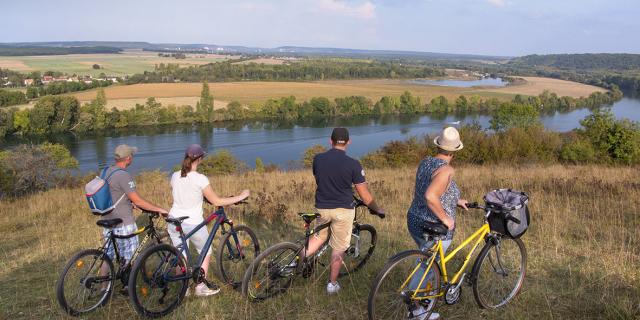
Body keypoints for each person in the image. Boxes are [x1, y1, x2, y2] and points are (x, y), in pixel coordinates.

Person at [305, 127, 385, 294]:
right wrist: (377, 209)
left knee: (319, 237)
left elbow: (320, 178)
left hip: (322, 207)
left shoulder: (318, 159)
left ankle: (294, 261)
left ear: (330, 141)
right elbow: (365, 196)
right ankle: (332, 284)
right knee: (339, 247)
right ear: (348, 142)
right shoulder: (353, 164)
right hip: (343, 210)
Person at [167, 144, 250, 297]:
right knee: (205, 252)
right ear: (200, 159)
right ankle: (200, 288)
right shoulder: (200, 179)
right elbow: (216, 201)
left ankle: (183, 289)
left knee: (181, 254)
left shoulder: (174, 175)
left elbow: (184, 193)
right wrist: (241, 196)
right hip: (192, 221)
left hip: (173, 220)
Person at [406, 127, 469, 320]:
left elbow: (432, 187)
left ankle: (424, 299)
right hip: (433, 227)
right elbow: (431, 195)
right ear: (454, 151)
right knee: (426, 265)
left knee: (427, 261)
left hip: (414, 220)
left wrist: (456, 201)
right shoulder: (447, 169)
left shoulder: (426, 162)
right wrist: (446, 218)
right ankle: (416, 309)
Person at [99, 145, 169, 284]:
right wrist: (159, 209)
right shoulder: (123, 175)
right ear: (129, 158)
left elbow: (113, 194)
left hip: (107, 220)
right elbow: (137, 200)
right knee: (130, 256)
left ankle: (103, 290)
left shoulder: (106, 171)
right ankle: (128, 286)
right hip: (123, 222)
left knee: (108, 256)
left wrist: (127, 203)